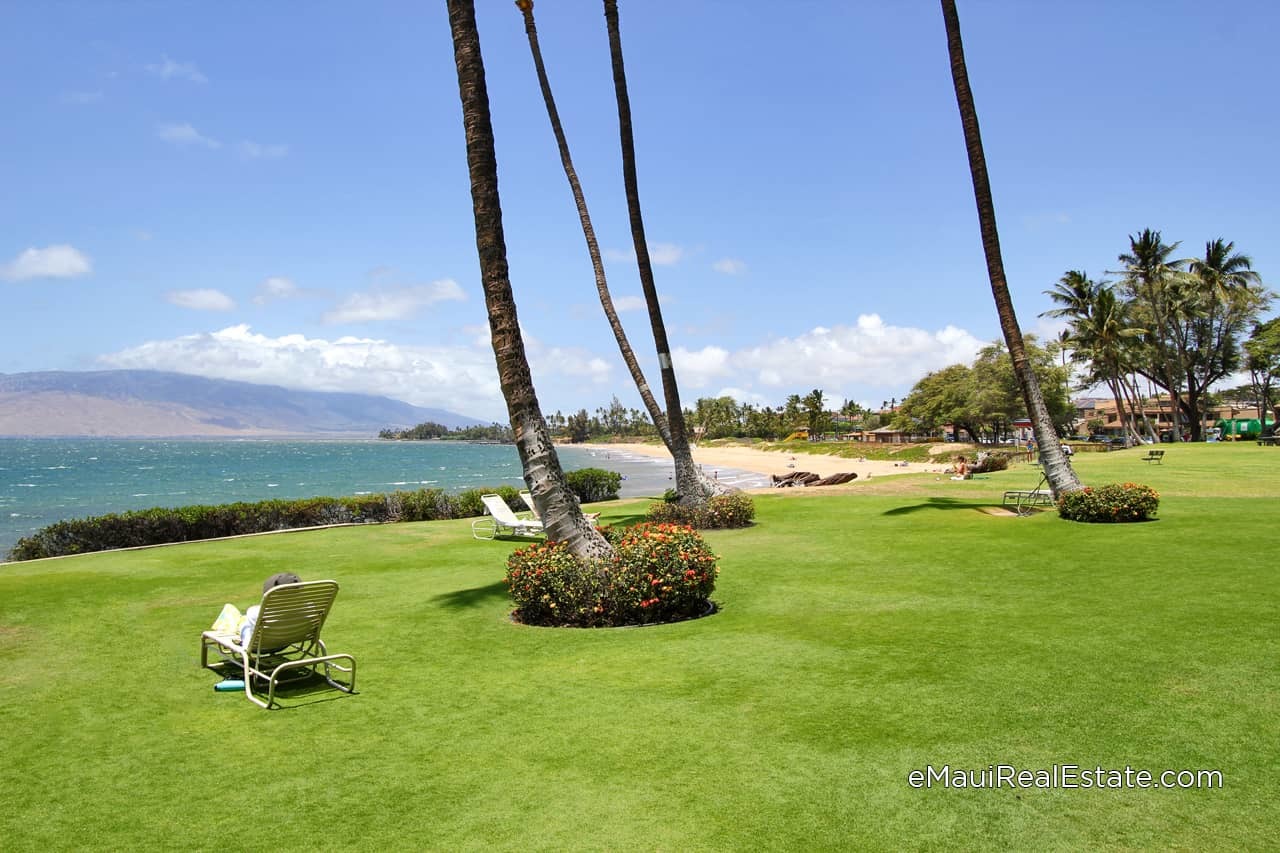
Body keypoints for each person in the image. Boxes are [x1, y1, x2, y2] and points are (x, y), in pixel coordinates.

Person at [211, 572, 302, 646]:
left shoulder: (256, 612)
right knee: (243, 619)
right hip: (285, 642)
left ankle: (231, 627)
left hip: (259, 646)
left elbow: (251, 619)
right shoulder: (310, 609)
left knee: (234, 614)